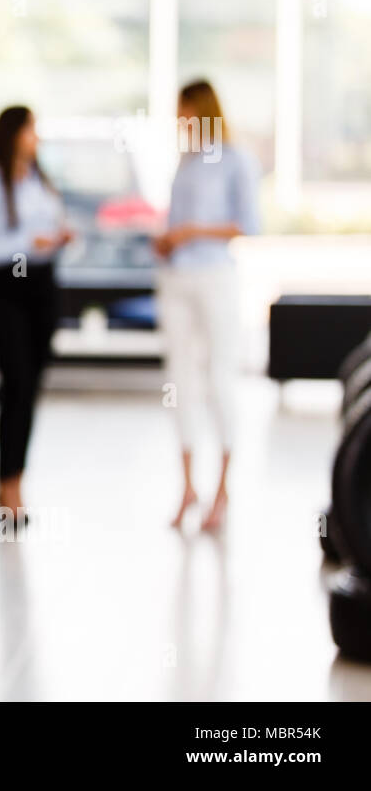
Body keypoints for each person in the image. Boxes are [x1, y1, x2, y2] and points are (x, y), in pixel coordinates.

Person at [154, 79, 261, 532]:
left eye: (186, 112)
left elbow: (248, 224)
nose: (181, 121)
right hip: (176, 277)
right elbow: (175, 222)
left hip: (215, 277)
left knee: (220, 378)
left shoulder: (236, 160)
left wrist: (194, 231)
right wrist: (165, 239)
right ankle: (187, 488)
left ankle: (223, 488)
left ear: (203, 110)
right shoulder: (185, 161)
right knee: (179, 381)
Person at [0, 106, 73, 529]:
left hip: (42, 285)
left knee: (31, 387)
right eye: (31, 130)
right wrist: (26, 240)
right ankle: (8, 485)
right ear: (13, 135)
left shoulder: (40, 181)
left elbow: (47, 229)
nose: (36, 138)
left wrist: (56, 239)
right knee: (17, 382)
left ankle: (16, 477)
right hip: (7, 288)